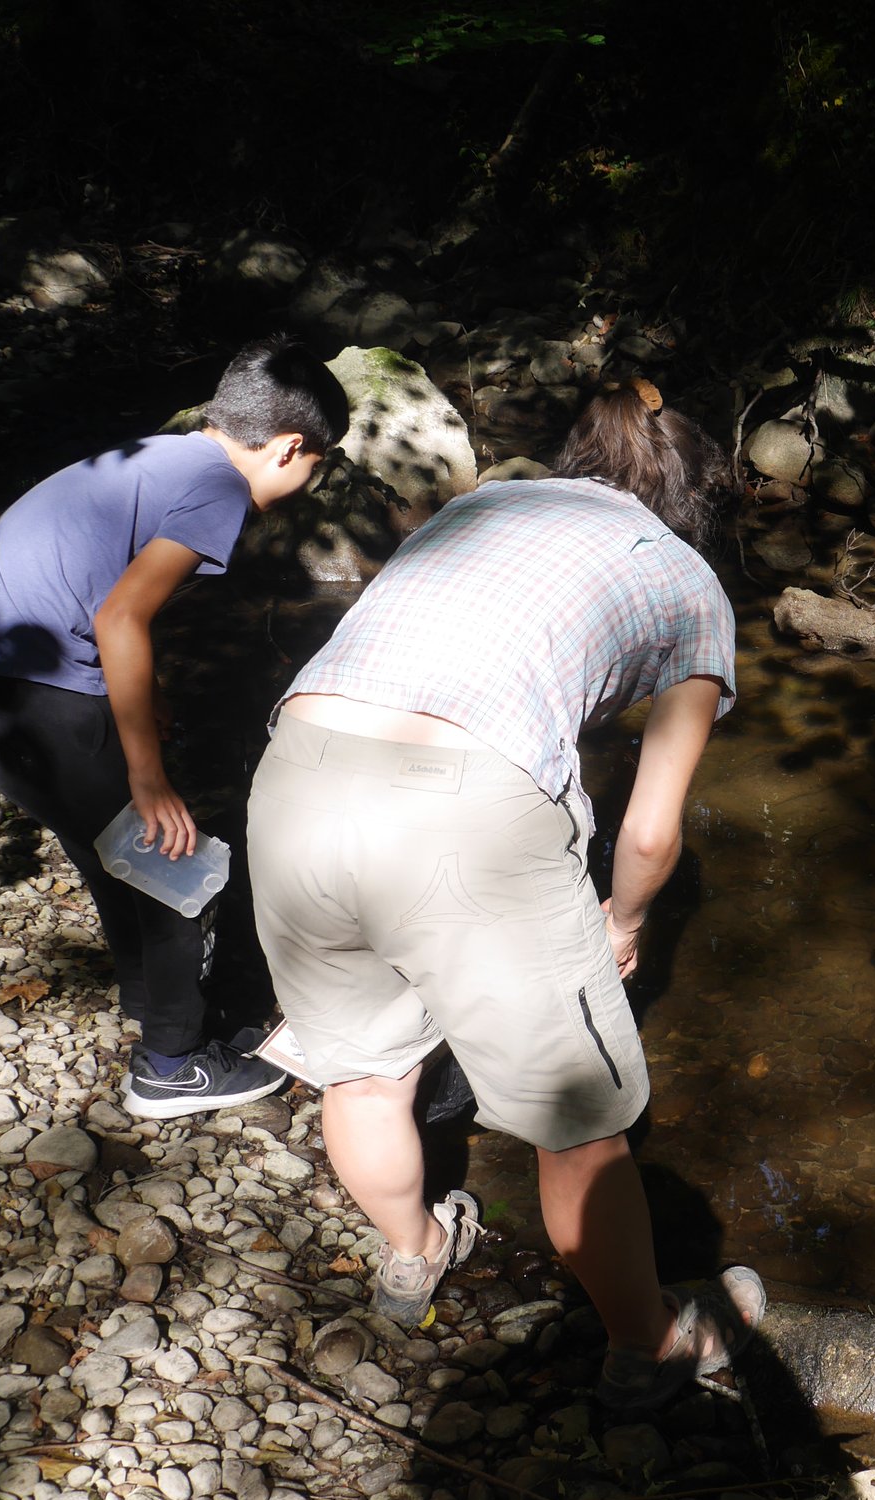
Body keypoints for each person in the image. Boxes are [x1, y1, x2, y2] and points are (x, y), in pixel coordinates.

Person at [245, 380, 761, 1410]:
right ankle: (649, 1344)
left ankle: (413, 1251)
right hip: (466, 809)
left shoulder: (483, 503)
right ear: (691, 503)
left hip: (294, 773)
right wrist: (623, 920)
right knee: (579, 1122)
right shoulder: (687, 580)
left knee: (364, 1073)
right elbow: (648, 831)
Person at [0, 334, 351, 1117]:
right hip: (37, 699)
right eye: (316, 466)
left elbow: (101, 591)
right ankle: (171, 1066)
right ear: (290, 447)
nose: (308, 482)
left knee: (115, 855)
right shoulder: (218, 489)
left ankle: (155, 1000)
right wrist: (149, 774)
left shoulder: (166, 456)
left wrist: (148, 694)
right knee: (172, 865)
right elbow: (121, 616)